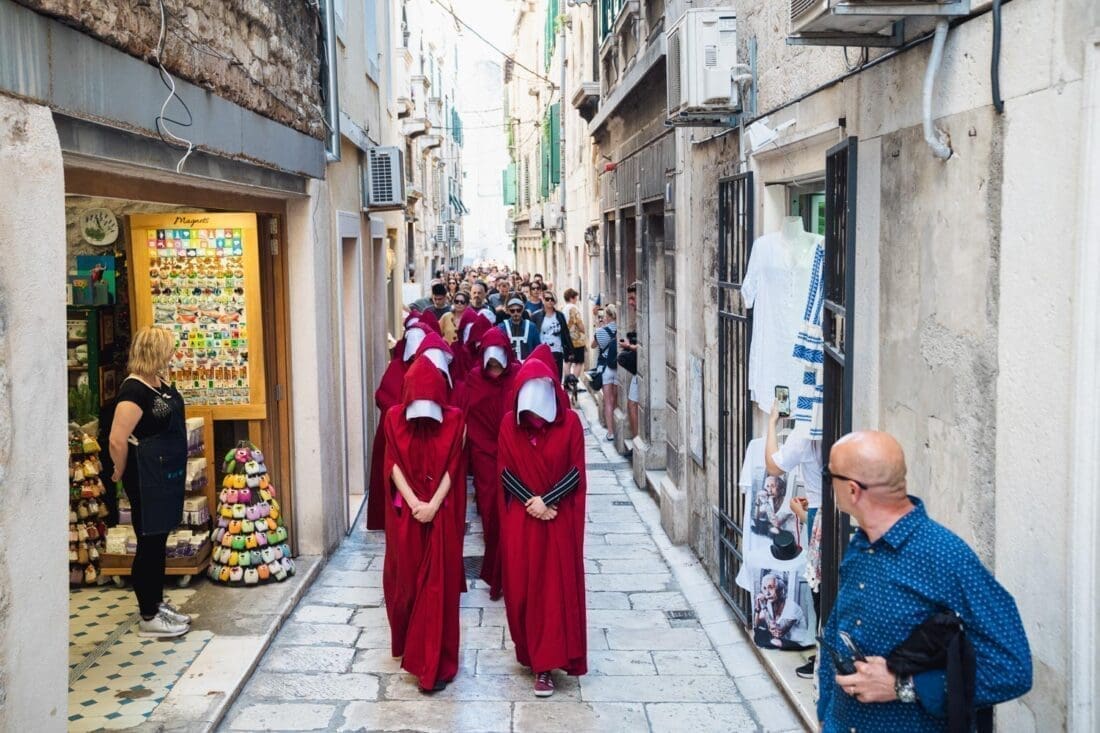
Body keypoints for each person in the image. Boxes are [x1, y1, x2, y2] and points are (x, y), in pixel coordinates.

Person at [818, 431, 1032, 732]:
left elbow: (1012, 669)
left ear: (852, 490)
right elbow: (836, 632)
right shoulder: (862, 544)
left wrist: (903, 686)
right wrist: (825, 713)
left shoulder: (945, 555)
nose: (828, 484)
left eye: (829, 475)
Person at [497, 348, 588, 696]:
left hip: (557, 520)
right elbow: (505, 471)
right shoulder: (509, 425)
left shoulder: (571, 424)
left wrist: (547, 500)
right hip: (524, 521)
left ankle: (545, 665)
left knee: (552, 593)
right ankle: (530, 650)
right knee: (523, 589)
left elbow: (576, 471)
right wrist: (532, 503)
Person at [381, 357, 465, 692]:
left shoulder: (455, 420)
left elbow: (454, 467)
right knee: (408, 584)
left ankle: (433, 666)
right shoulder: (393, 418)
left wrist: (433, 505)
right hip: (408, 516)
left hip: (439, 514)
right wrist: (415, 503)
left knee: (437, 588)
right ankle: (414, 649)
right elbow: (392, 464)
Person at [108, 327, 191, 637]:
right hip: (145, 476)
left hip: (164, 473)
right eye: (168, 349)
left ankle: (156, 603)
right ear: (155, 351)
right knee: (149, 542)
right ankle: (148, 615)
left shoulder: (159, 382)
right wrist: (119, 470)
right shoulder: (134, 390)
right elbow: (117, 439)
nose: (172, 354)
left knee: (159, 540)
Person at [460, 327, 520, 599]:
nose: (494, 367)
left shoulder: (517, 374)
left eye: (498, 362)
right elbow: (466, 414)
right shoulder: (474, 378)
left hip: (513, 454)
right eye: (490, 362)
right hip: (484, 456)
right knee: (490, 513)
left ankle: (511, 574)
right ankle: (497, 576)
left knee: (512, 514)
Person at [766, 400, 824, 677]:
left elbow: (774, 466)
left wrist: (771, 422)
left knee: (820, 591)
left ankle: (823, 659)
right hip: (830, 512)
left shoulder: (805, 431)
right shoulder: (836, 423)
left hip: (819, 515)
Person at [753, 572, 808, 649]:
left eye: (771, 587)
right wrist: (757, 609)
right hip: (782, 641)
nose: (767, 593)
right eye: (765, 588)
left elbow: (778, 633)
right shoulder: (769, 604)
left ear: (781, 590)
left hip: (799, 643)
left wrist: (764, 606)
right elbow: (756, 626)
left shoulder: (792, 607)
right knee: (760, 636)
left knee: (773, 641)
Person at [591, 304, 618, 441]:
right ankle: (618, 430)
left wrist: (598, 327)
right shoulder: (620, 329)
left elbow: (593, 345)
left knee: (608, 401)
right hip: (618, 368)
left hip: (606, 368)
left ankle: (610, 433)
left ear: (607, 316)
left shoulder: (601, 331)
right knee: (616, 401)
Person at [531, 291, 570, 379]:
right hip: (543, 350)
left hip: (557, 350)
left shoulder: (560, 315)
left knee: (557, 377)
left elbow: (565, 333)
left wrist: (569, 350)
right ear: (543, 300)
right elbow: (533, 334)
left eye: (552, 299)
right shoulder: (536, 316)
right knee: (544, 377)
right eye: (547, 299)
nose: (549, 301)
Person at [561, 288, 587, 381]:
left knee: (567, 361)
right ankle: (574, 381)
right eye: (576, 298)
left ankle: (567, 381)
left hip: (566, 339)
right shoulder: (573, 308)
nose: (576, 300)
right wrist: (584, 330)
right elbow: (579, 323)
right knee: (579, 362)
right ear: (571, 298)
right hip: (576, 340)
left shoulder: (563, 309)